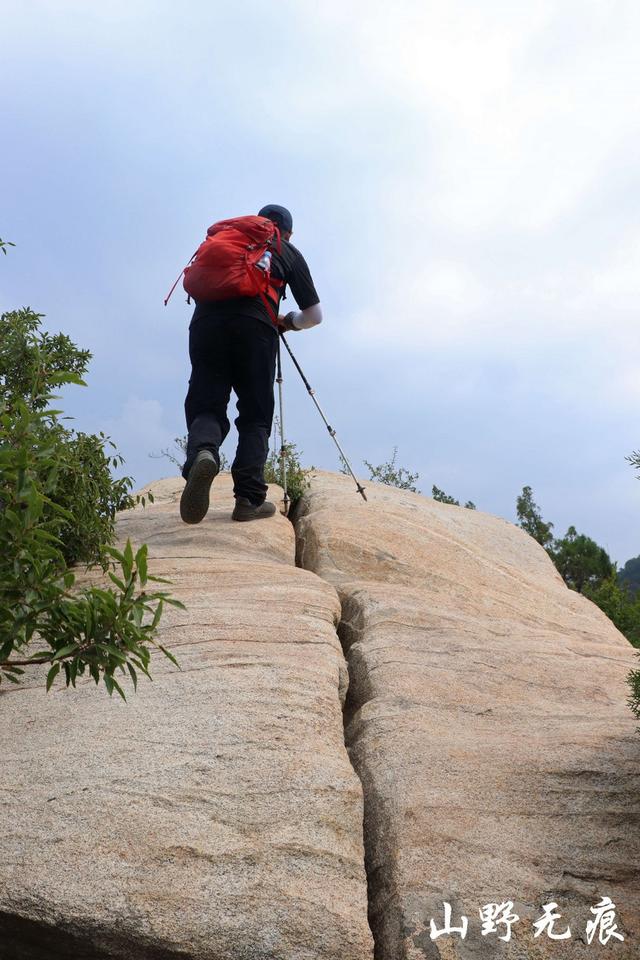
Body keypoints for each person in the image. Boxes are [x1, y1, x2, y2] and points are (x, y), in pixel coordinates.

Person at [179, 204, 322, 524]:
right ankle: (249, 498)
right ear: (286, 231)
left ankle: (204, 453)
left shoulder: (229, 240)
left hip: (205, 324)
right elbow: (315, 316)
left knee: (206, 401)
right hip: (256, 327)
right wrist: (288, 322)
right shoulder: (287, 250)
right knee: (255, 413)